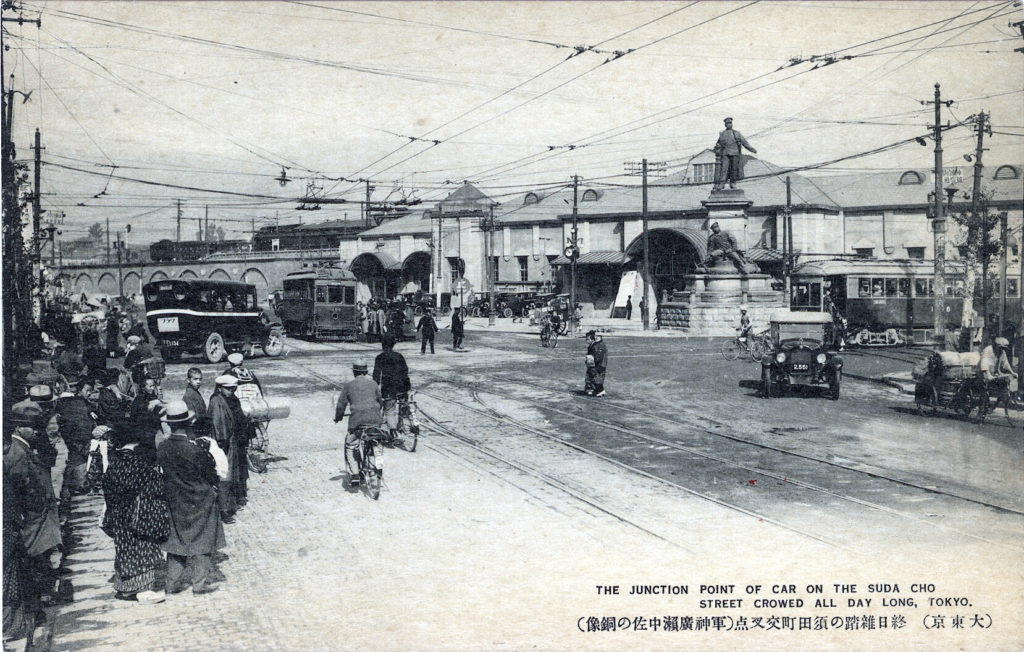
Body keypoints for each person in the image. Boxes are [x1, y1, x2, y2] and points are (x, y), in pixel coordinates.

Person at [157, 401, 225, 596]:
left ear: (169, 424)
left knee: (176, 541)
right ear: (188, 423)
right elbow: (211, 474)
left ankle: (171, 583)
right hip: (200, 499)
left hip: (175, 500)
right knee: (203, 540)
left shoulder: (163, 448)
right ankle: (199, 583)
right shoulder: (195, 449)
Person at [4, 404, 62, 624]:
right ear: (19, 428)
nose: (36, 431)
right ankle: (35, 607)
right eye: (31, 427)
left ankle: (38, 604)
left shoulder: (23, 447)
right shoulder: (18, 452)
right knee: (34, 561)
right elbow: (19, 488)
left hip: (37, 517)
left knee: (39, 560)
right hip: (32, 519)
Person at [101, 423, 167, 604]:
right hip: (137, 516)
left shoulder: (114, 464)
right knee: (141, 551)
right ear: (136, 443)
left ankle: (124, 588)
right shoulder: (138, 464)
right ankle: (143, 591)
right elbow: (155, 487)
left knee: (123, 550)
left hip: (118, 514)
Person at [334, 359, 383, 487]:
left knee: (351, 444)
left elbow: (341, 405)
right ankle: (377, 463)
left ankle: (355, 474)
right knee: (376, 440)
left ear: (354, 372)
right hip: (375, 421)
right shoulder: (373, 384)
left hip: (357, 422)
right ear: (366, 371)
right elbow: (380, 401)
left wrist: (338, 417)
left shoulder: (349, 385)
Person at [55, 378, 96, 506]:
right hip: (78, 437)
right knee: (76, 463)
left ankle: (73, 485)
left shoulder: (74, 402)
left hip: (75, 437)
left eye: (91, 391)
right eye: (87, 390)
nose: (89, 393)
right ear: (80, 390)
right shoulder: (75, 402)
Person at [207, 375, 239, 522]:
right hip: (223, 444)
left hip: (227, 443)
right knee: (224, 476)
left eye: (233, 389)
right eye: (228, 389)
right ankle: (223, 510)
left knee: (227, 475)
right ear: (220, 388)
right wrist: (222, 444)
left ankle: (226, 505)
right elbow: (218, 426)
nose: (231, 391)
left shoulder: (222, 400)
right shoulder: (217, 402)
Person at [373, 336, 411, 438]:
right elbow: (405, 371)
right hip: (402, 387)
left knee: (389, 409)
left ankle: (393, 430)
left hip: (389, 388)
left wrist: (375, 389)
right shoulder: (399, 356)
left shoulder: (380, 357)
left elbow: (376, 376)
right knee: (403, 407)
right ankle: (406, 427)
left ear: (383, 345)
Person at [712, 117, 757, 190]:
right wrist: (717, 146)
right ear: (725, 125)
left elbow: (744, 143)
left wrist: (752, 150)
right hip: (725, 154)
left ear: (732, 124)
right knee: (724, 169)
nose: (729, 124)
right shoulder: (722, 134)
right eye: (727, 123)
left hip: (735, 153)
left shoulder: (736, 133)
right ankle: (722, 184)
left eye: (730, 123)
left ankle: (733, 183)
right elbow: (718, 143)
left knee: (734, 169)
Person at [585, 331, 608, 397]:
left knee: (596, 376)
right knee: (593, 376)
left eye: (597, 337)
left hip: (599, 364)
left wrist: (591, 359)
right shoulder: (596, 345)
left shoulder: (599, 345)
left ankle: (600, 390)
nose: (595, 338)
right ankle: (593, 389)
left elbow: (598, 356)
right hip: (598, 363)